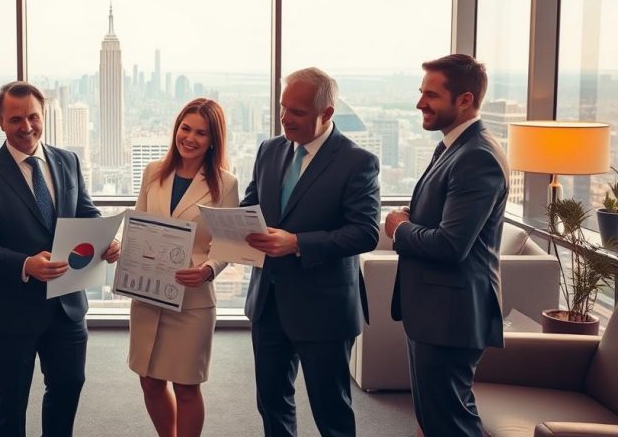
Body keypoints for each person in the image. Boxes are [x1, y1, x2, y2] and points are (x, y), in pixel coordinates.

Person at [0, 80, 120, 437]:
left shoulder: (67, 160)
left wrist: (106, 241)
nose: (27, 127)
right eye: (16, 119)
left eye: (33, 117)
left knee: (68, 388)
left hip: (66, 304)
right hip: (9, 310)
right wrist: (24, 264)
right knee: (11, 405)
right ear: (0, 121)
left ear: (44, 114)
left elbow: (86, 212)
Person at [242, 67, 380, 437]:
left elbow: (365, 233)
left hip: (325, 310)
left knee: (331, 412)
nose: (286, 118)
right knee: (272, 403)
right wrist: (234, 225)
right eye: (284, 108)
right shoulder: (269, 150)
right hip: (269, 302)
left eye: (298, 112)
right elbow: (252, 204)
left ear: (327, 113)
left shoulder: (358, 162)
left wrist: (298, 243)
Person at [384, 54, 507, 437]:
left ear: (465, 100)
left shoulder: (477, 157)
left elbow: (451, 244)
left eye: (431, 95)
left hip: (451, 317)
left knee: (451, 424)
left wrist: (399, 228)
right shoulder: (453, 146)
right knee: (434, 420)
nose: (420, 102)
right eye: (422, 92)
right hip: (434, 313)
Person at [129, 98, 239, 437]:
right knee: (149, 380)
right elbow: (139, 226)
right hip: (149, 294)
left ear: (213, 140)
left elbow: (228, 245)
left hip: (192, 299)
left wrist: (208, 269)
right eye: (185, 128)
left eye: (201, 133)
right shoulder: (153, 172)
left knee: (187, 387)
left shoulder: (226, 183)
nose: (189, 138)